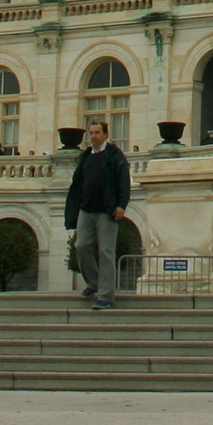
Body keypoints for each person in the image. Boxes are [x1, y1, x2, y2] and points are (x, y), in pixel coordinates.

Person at [63, 119, 130, 310]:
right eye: (91, 133)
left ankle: (106, 295)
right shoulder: (85, 156)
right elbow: (77, 183)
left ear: (106, 134)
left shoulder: (115, 155)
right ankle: (93, 283)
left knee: (106, 252)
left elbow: (123, 182)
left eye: (97, 132)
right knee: (81, 245)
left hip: (106, 211)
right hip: (86, 209)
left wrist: (121, 205)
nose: (94, 136)